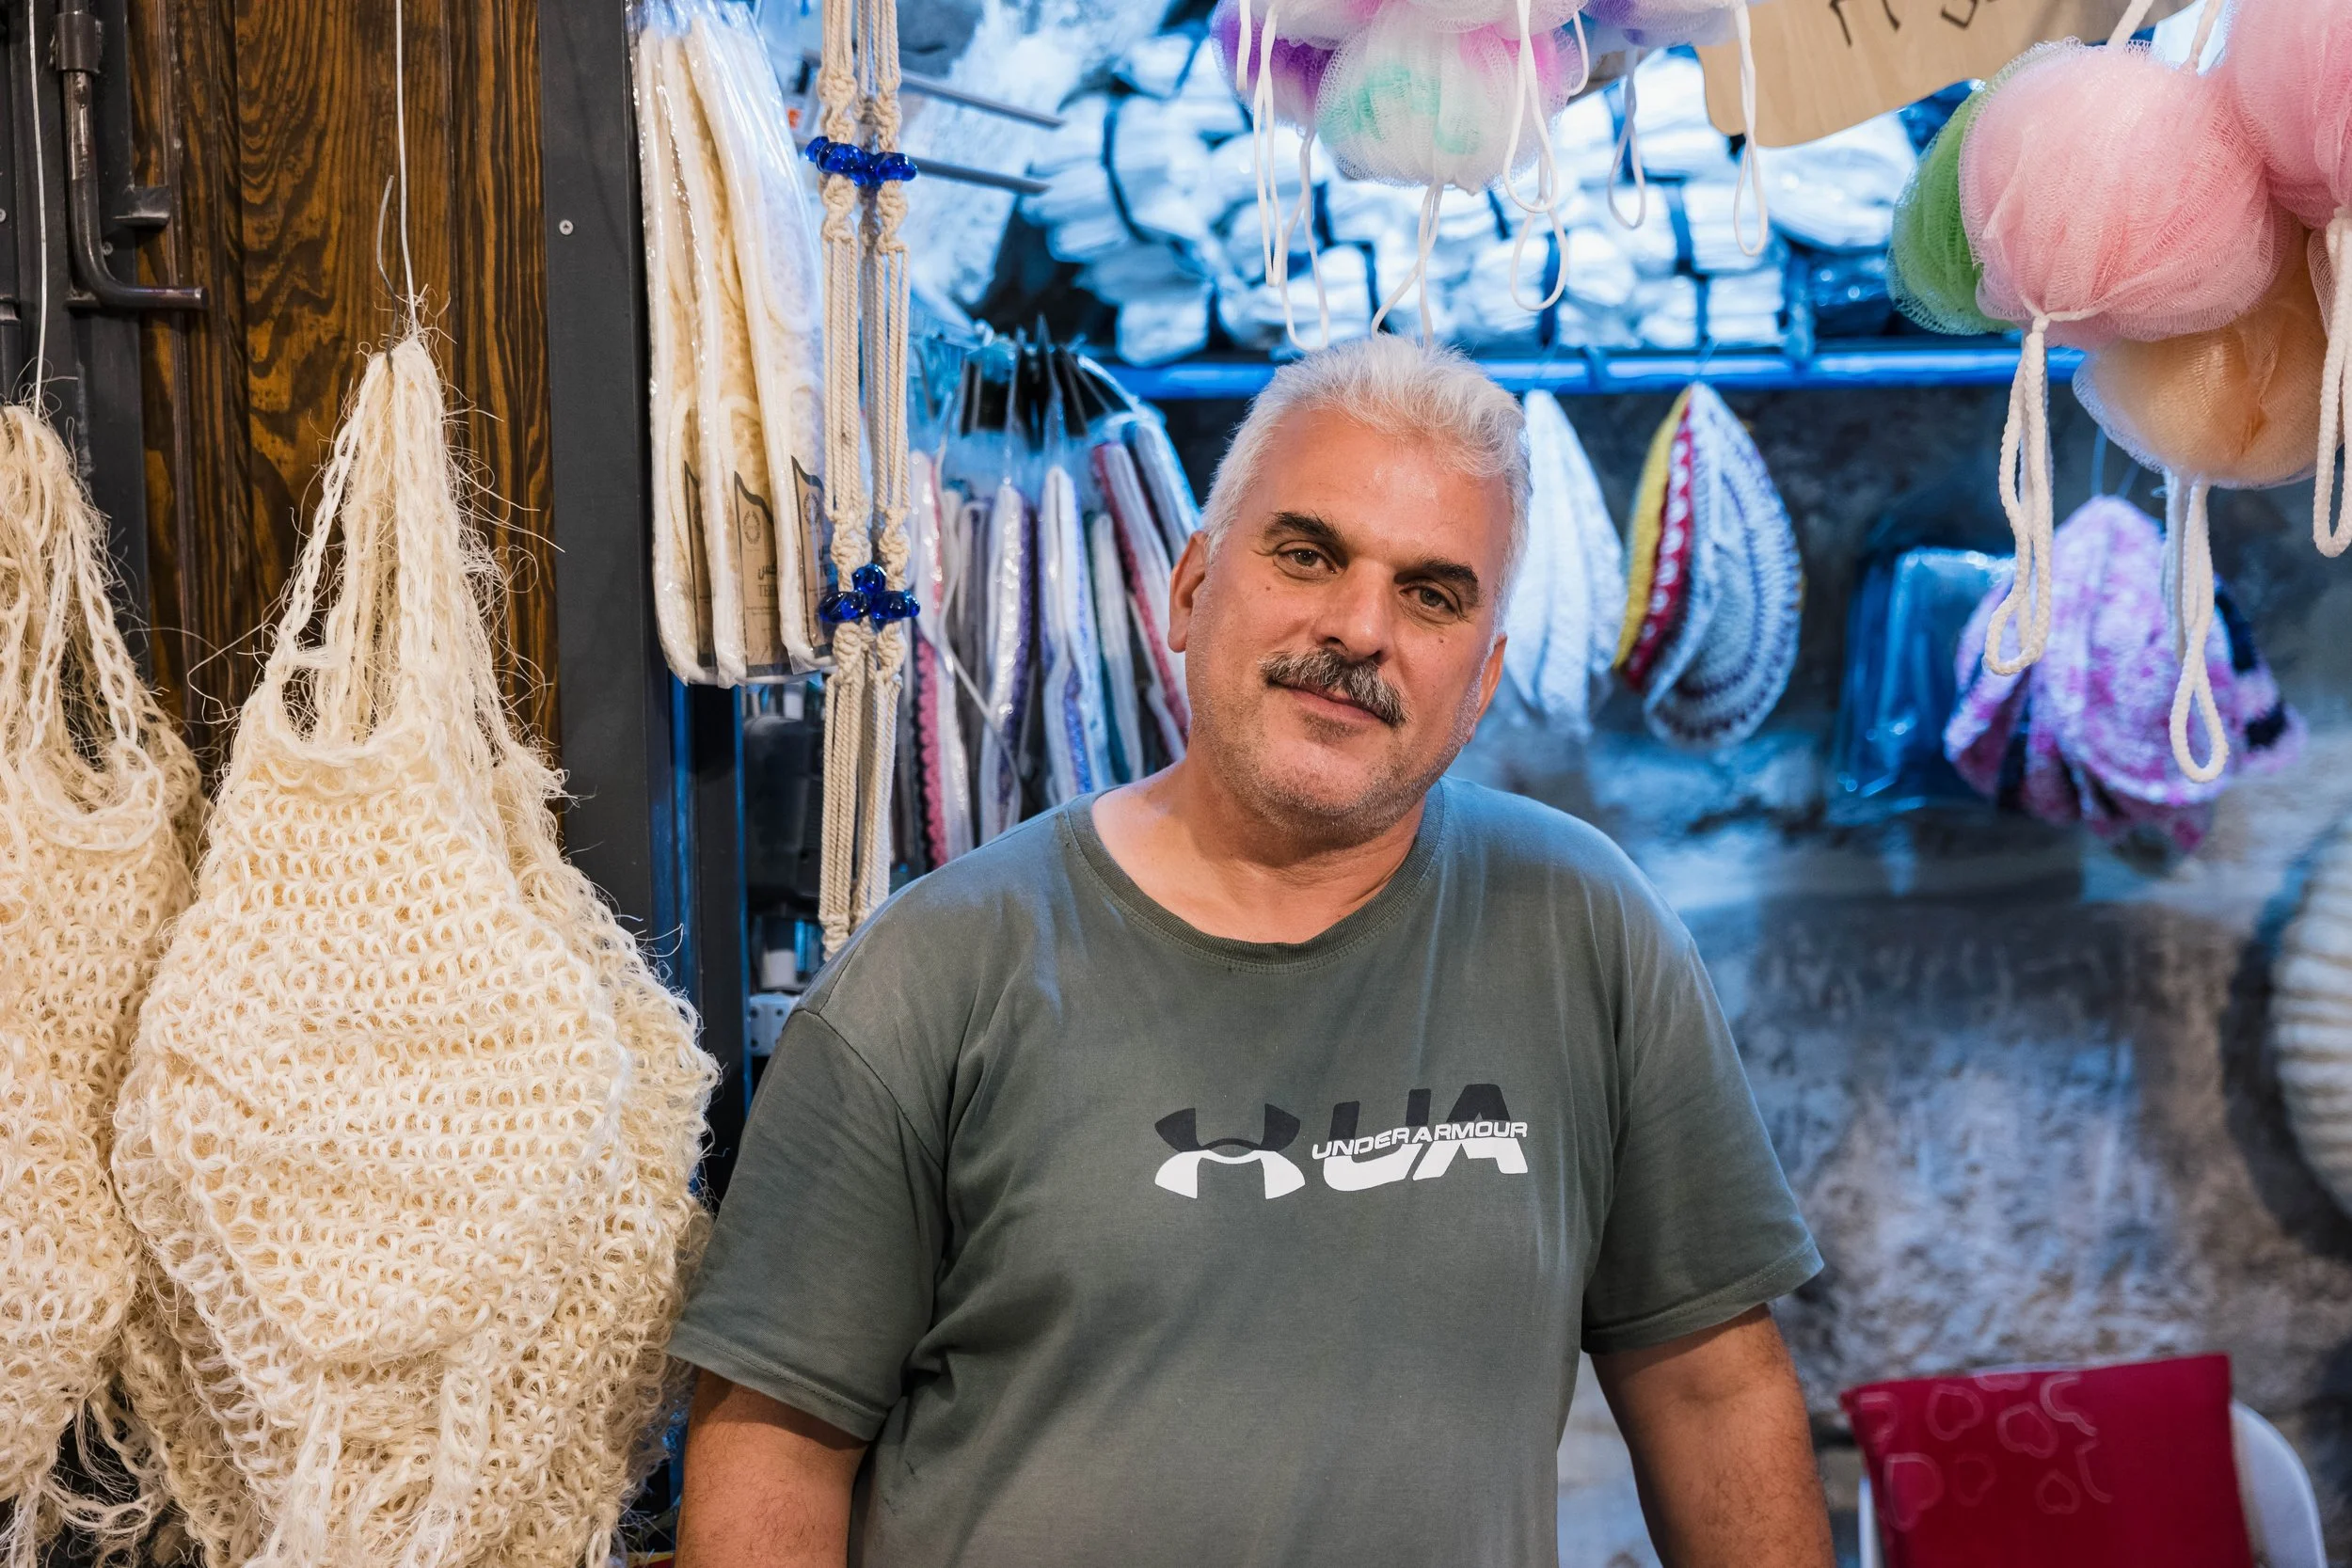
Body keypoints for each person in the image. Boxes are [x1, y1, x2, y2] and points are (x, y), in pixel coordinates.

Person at [667, 336, 1833, 1568]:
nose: (1359, 627)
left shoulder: (1587, 930)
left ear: (1482, 681)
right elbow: (773, 1447)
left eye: (1433, 593)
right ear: (1187, 589)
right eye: (1307, 553)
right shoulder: (937, 975)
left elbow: (1715, 1393)